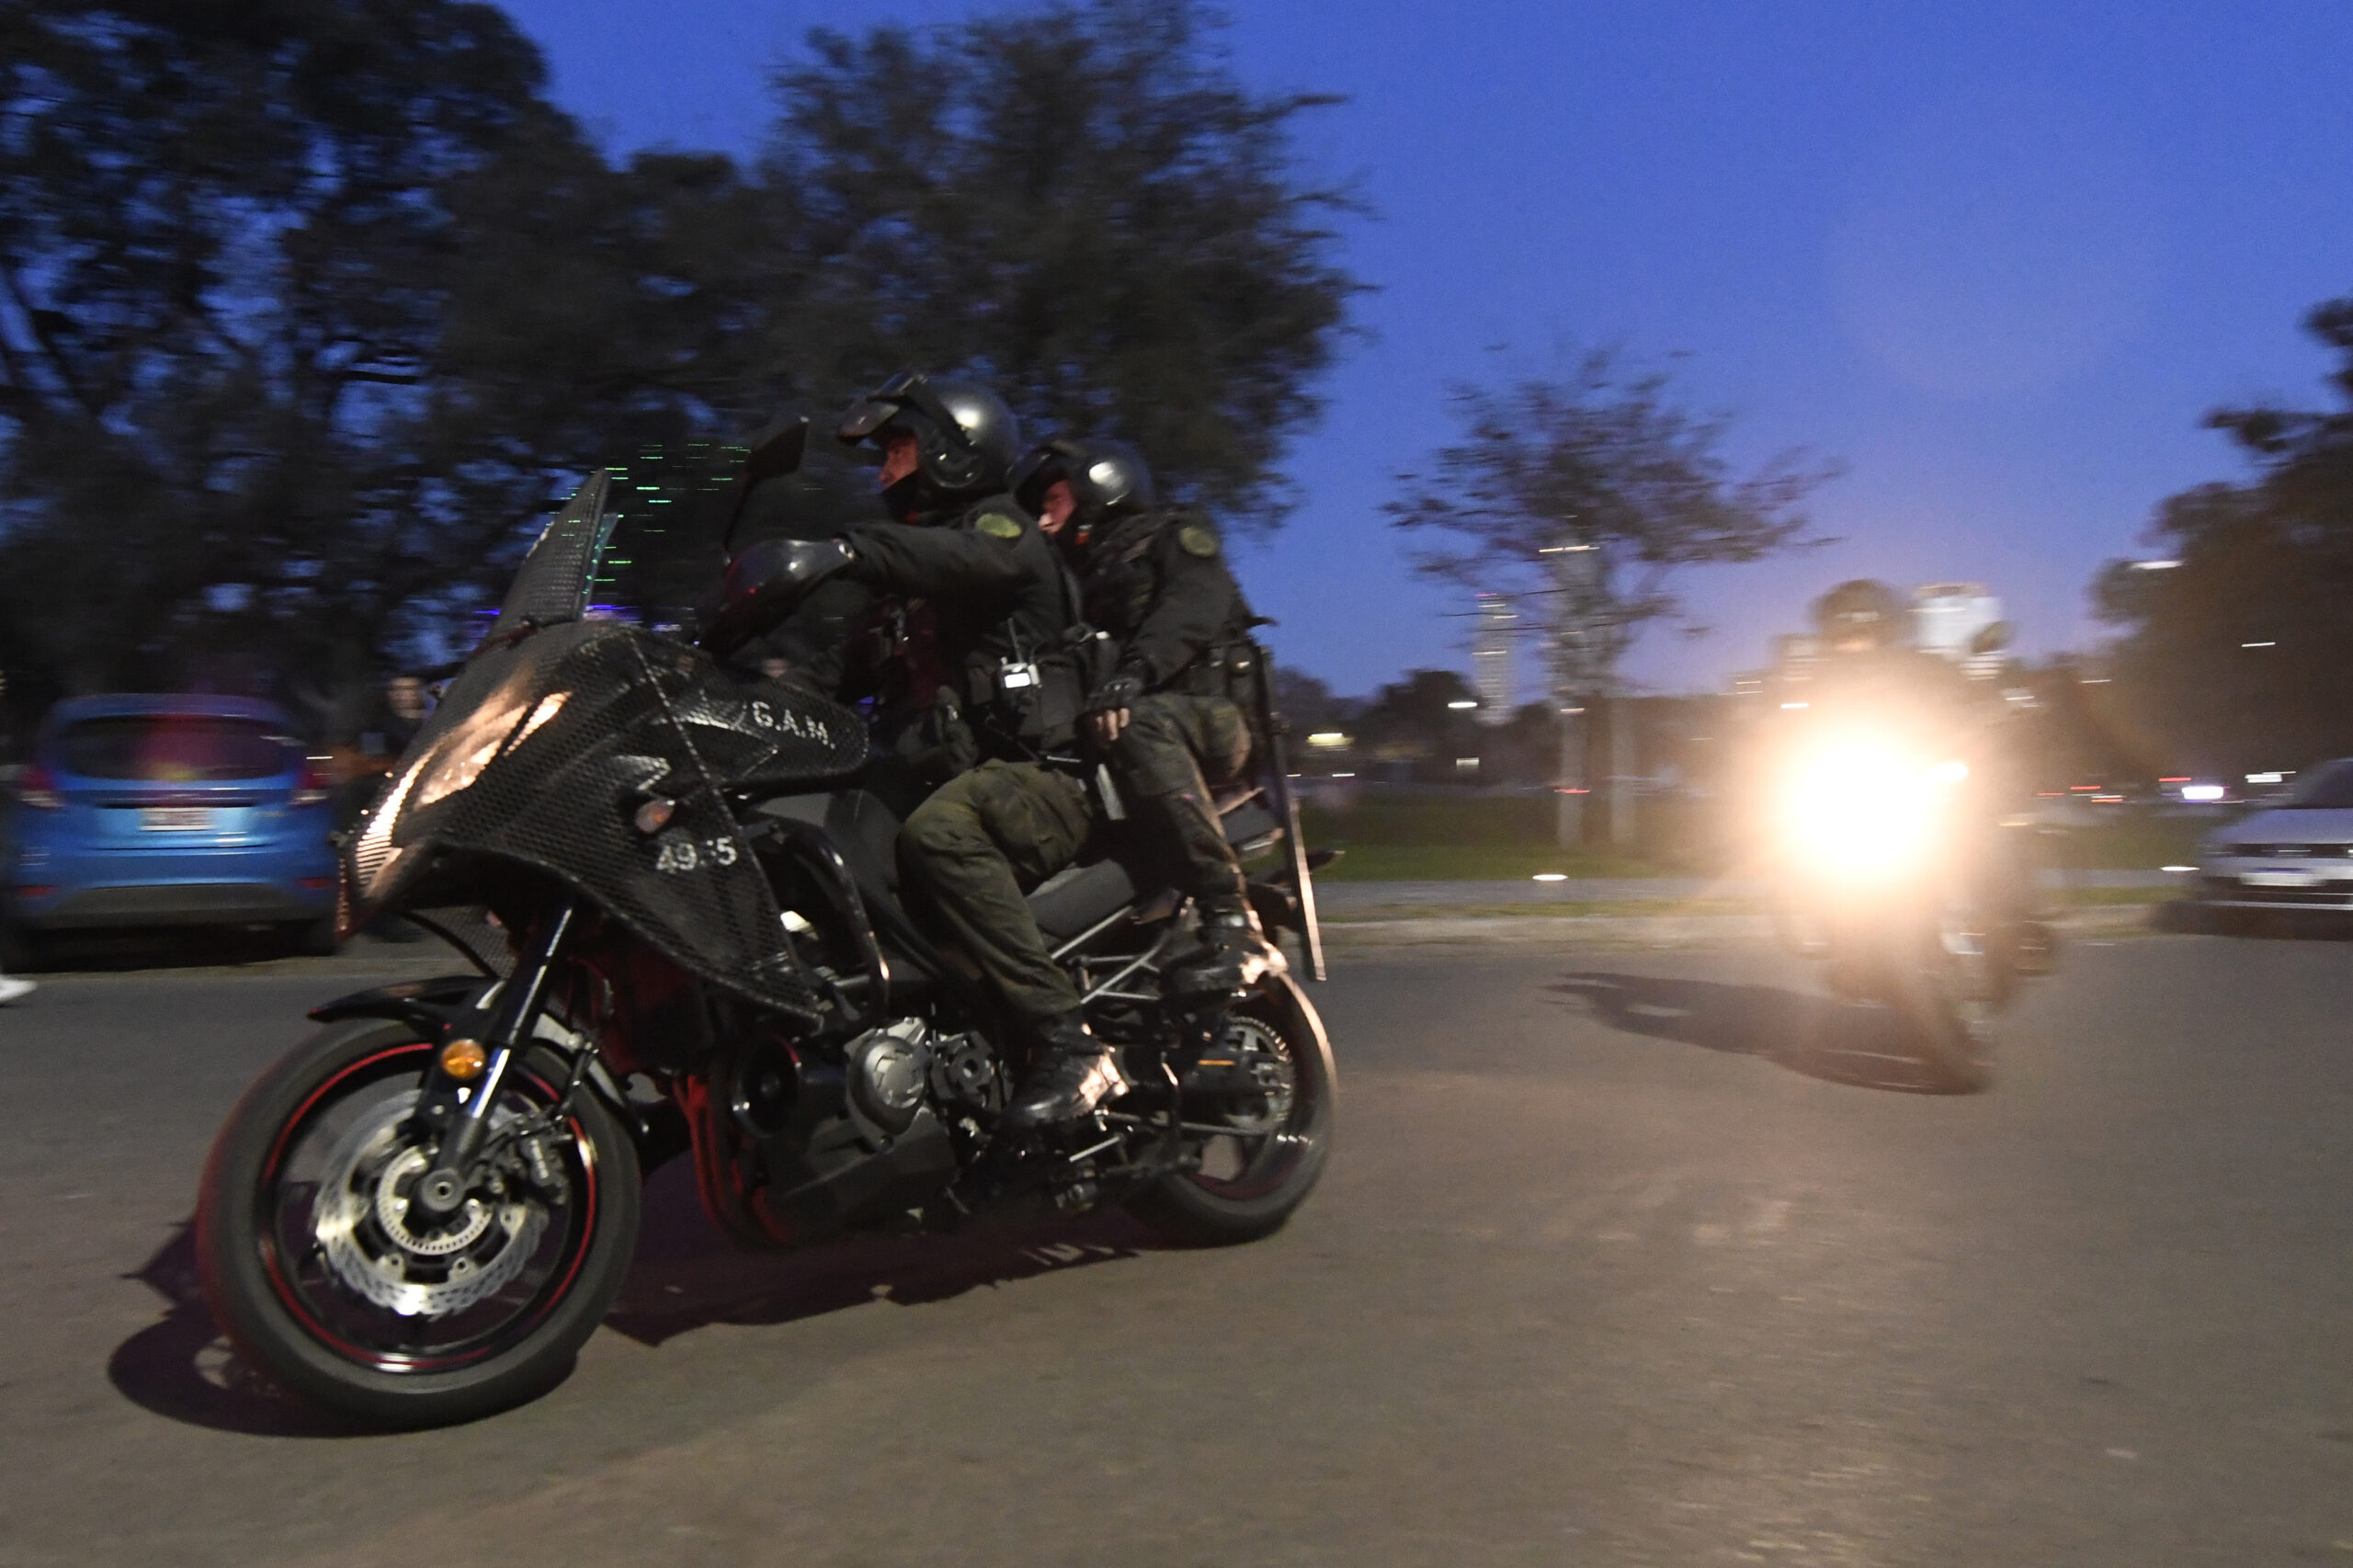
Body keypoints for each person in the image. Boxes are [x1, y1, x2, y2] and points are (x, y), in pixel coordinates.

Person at [712, 372, 1126, 1129]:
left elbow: (957, 559)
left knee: (940, 835)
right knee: (792, 832)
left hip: (1039, 783)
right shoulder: (905, 601)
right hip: (952, 782)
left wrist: (842, 550)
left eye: (896, 451)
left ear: (951, 452)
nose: (883, 473)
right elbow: (830, 676)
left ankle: (1069, 1044)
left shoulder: (1003, 535)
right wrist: (717, 703)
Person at [1012, 435, 1284, 995]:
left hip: (1212, 719)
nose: (1044, 517)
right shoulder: (1081, 577)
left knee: (1140, 723)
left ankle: (1232, 919)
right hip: (1136, 723)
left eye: (1055, 500)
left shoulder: (1175, 536)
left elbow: (1192, 608)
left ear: (1100, 487)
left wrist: (1134, 673)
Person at [1797, 578, 2052, 971]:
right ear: (1831, 635)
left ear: (1888, 628)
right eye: (1846, 632)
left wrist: (2000, 706)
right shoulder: (1821, 681)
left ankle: (2022, 922)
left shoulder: (1923, 664)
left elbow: (1971, 693)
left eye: (1866, 630)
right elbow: (1787, 731)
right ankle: (1843, 940)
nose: (1857, 641)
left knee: (1991, 824)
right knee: (1810, 847)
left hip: (1930, 776)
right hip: (1864, 787)